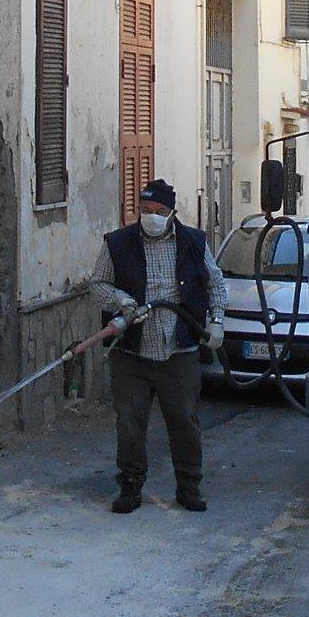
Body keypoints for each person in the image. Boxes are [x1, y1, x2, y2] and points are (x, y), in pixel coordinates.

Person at [75, 178, 223, 513]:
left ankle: (189, 487)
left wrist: (217, 321)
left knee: (184, 421)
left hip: (178, 350)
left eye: (158, 210)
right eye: (145, 210)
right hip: (132, 353)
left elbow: (215, 283)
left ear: (171, 212)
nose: (151, 216)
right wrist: (121, 300)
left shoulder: (193, 242)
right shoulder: (117, 243)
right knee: (129, 422)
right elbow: (97, 285)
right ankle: (130, 487)